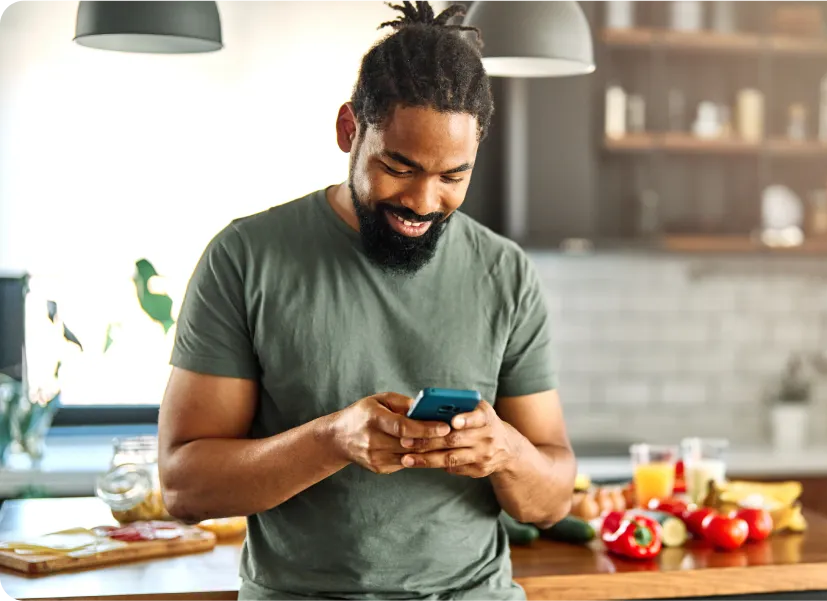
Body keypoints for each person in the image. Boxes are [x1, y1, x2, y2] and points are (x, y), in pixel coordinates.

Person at [156, 1, 576, 599]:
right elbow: (184, 489)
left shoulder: (505, 273)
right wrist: (331, 441)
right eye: (399, 168)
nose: (424, 202)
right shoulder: (244, 258)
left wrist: (506, 451)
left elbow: (552, 500)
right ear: (348, 130)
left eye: (452, 176)